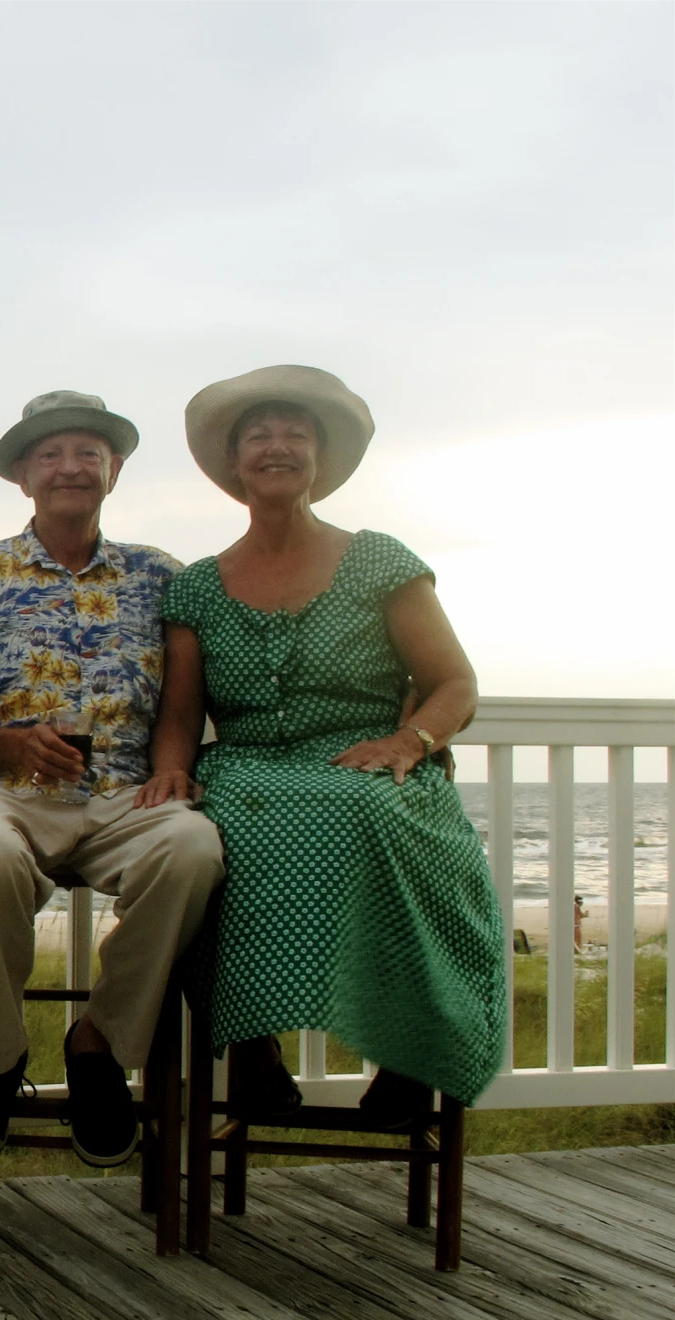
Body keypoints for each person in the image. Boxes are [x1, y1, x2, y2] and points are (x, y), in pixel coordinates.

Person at [148, 366, 505, 1113]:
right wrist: (172, 774)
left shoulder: (380, 560)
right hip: (244, 764)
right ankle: (250, 1051)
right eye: (258, 435)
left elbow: (455, 683)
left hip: (366, 756)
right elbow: (180, 714)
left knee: (366, 810)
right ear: (235, 463)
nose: (276, 447)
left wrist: (410, 742)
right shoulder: (197, 588)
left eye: (295, 434)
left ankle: (410, 1055)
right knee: (208, 829)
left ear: (318, 458)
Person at [0, 392, 225, 1166]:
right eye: (50, 454)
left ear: (113, 471)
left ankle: (98, 1044)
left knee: (194, 849)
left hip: (126, 796)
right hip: (10, 796)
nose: (71, 467)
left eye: (89, 452)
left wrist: (173, 766)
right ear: (23, 475)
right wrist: (16, 747)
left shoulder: (162, 577)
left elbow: (187, 699)